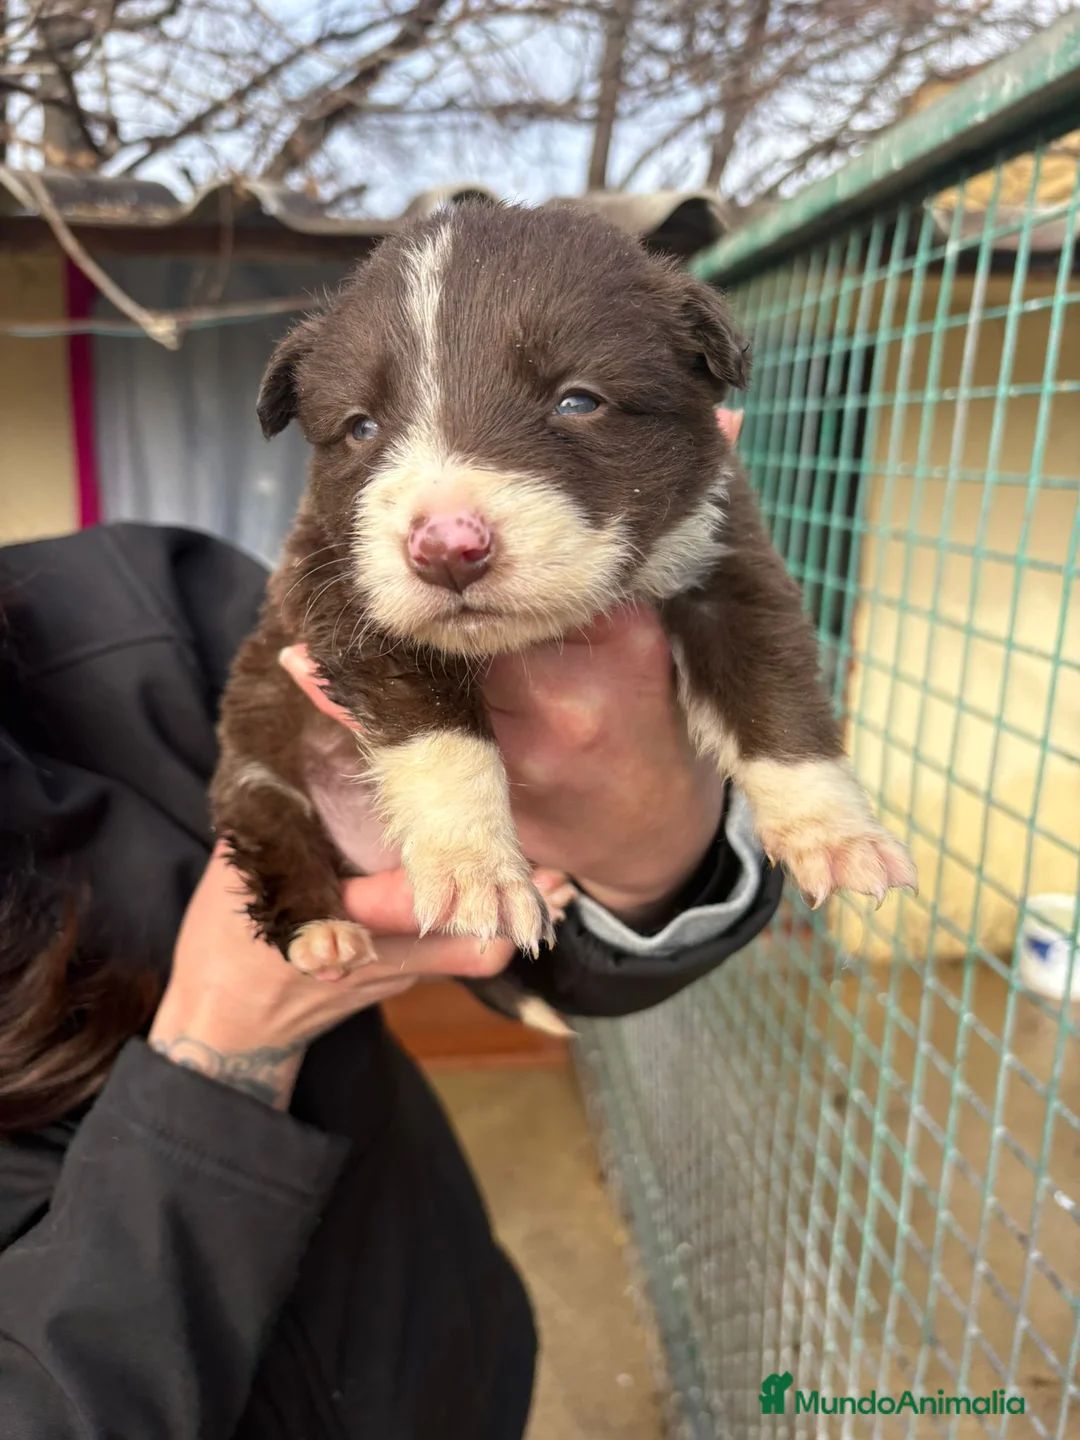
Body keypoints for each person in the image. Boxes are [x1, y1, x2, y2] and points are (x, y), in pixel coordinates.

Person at [0, 463, 779, 1434]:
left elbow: (550, 948)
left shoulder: (137, 605)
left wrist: (647, 846)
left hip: (448, 1354)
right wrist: (225, 1041)